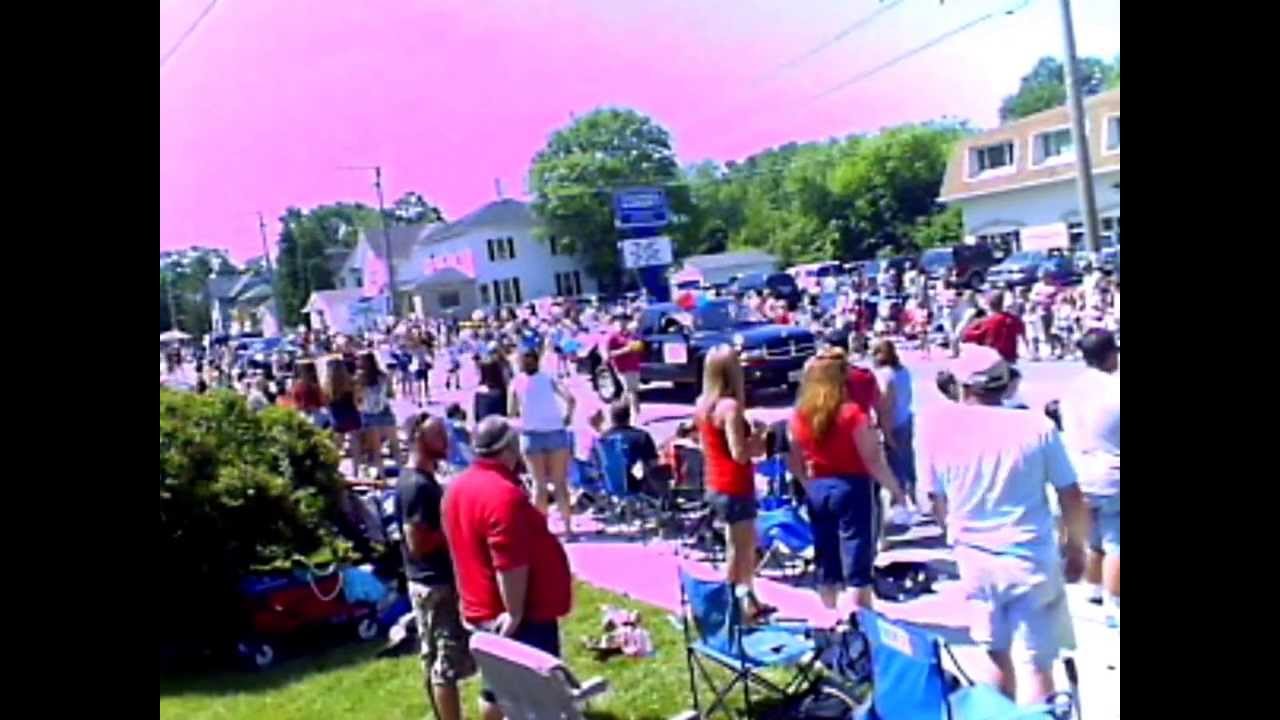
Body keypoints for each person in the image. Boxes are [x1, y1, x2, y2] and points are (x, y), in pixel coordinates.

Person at [915, 345, 1090, 705]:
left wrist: (954, 531)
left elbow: (933, 499)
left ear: (963, 386)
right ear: (1006, 384)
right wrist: (1075, 547)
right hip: (1030, 555)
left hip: (975, 558)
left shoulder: (936, 430)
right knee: (1037, 664)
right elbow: (1070, 493)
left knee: (994, 654)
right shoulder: (1035, 426)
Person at [442, 417, 573, 720]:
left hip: (480, 608)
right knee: (539, 693)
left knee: (494, 687)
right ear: (509, 448)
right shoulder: (504, 496)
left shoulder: (456, 488)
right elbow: (509, 562)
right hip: (521, 616)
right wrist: (513, 613)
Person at [789, 348, 905, 611]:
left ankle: (830, 616)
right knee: (857, 561)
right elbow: (873, 459)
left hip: (818, 486)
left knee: (826, 558)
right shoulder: (852, 413)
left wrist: (808, 484)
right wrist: (895, 489)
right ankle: (860, 622)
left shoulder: (800, 415)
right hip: (852, 485)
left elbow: (794, 460)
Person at [397, 415, 476, 720]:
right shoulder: (417, 486)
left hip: (431, 580)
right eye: (438, 435)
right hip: (435, 584)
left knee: (435, 658)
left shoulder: (421, 480)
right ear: (418, 438)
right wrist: (458, 530)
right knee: (445, 663)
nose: (445, 441)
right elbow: (417, 541)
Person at [695, 345, 773, 623]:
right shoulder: (730, 407)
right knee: (740, 552)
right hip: (735, 485)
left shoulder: (703, 404)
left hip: (715, 481)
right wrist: (761, 435)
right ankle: (728, 608)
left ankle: (749, 601)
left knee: (742, 546)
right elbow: (740, 453)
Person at [1059, 330, 1120, 628]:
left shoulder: (1074, 389)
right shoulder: (1115, 389)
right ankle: (1115, 604)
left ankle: (1093, 588)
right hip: (1112, 474)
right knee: (1117, 542)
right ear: (1110, 354)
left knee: (1095, 538)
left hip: (1080, 472)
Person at [508, 342, 577, 537]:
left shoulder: (516, 383)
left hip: (531, 434)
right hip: (555, 431)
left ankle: (541, 530)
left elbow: (511, 412)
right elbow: (571, 399)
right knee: (560, 483)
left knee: (539, 485)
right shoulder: (549, 378)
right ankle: (568, 528)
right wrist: (567, 417)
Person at [871, 340, 917, 509]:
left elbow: (885, 406)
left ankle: (899, 503)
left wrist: (886, 432)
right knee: (908, 461)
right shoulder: (903, 371)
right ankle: (913, 497)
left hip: (893, 424)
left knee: (893, 465)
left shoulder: (885, 375)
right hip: (906, 418)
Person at [599, 400, 667, 499]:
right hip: (631, 484)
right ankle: (662, 501)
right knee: (658, 470)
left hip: (607, 485)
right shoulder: (640, 436)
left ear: (612, 418)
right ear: (629, 417)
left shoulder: (603, 439)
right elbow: (652, 464)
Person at [356, 351, 400, 478]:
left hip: (369, 415)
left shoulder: (359, 378)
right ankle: (403, 475)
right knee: (395, 446)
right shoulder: (384, 376)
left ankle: (383, 479)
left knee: (376, 451)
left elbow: (358, 399)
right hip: (385, 412)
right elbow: (391, 394)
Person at [961, 291, 1029, 365]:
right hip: (1010, 356)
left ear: (990, 304)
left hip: (993, 357)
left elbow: (972, 335)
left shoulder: (988, 321)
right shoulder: (1013, 319)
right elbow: (1022, 331)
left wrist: (970, 324)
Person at [605, 313, 644, 421]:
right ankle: (635, 414)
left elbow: (639, 347)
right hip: (622, 367)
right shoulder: (613, 337)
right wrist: (625, 350)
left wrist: (638, 347)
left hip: (634, 365)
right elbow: (609, 354)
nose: (623, 323)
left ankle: (620, 411)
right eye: (620, 321)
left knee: (631, 390)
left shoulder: (632, 335)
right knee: (631, 391)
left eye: (625, 321)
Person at [289, 359, 329, 426]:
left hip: (303, 416)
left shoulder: (295, 387)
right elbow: (321, 403)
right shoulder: (314, 386)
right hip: (314, 416)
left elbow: (296, 406)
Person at [473, 352, 509, 423]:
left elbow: (477, 416)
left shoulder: (479, 392)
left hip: (484, 429)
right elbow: (506, 413)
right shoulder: (502, 391)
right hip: (499, 429)